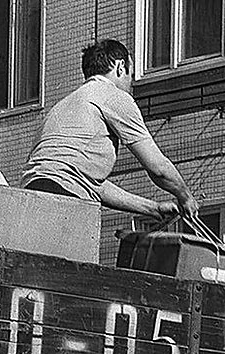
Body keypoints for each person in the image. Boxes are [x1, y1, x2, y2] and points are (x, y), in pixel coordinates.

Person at [20, 39, 198, 219]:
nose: (131, 83)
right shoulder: (114, 96)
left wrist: (152, 208)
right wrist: (185, 196)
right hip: (67, 200)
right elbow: (158, 167)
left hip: (28, 198)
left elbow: (89, 183)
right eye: (131, 74)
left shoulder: (60, 107)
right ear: (121, 67)